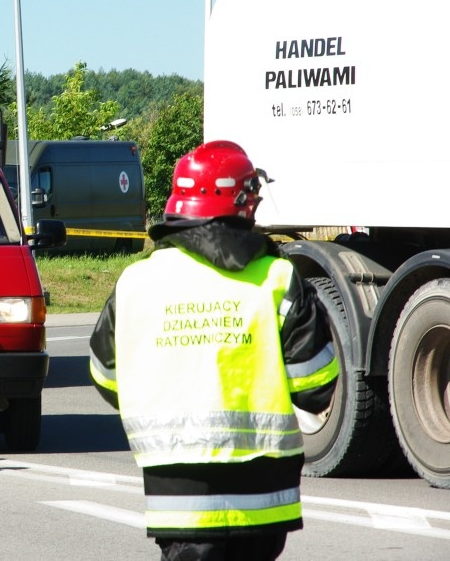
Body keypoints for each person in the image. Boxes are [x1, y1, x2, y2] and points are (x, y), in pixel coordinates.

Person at [88, 140, 339, 561]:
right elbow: (316, 382)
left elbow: (105, 374)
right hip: (263, 496)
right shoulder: (277, 278)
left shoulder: (135, 283)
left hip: (176, 492)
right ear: (243, 202)